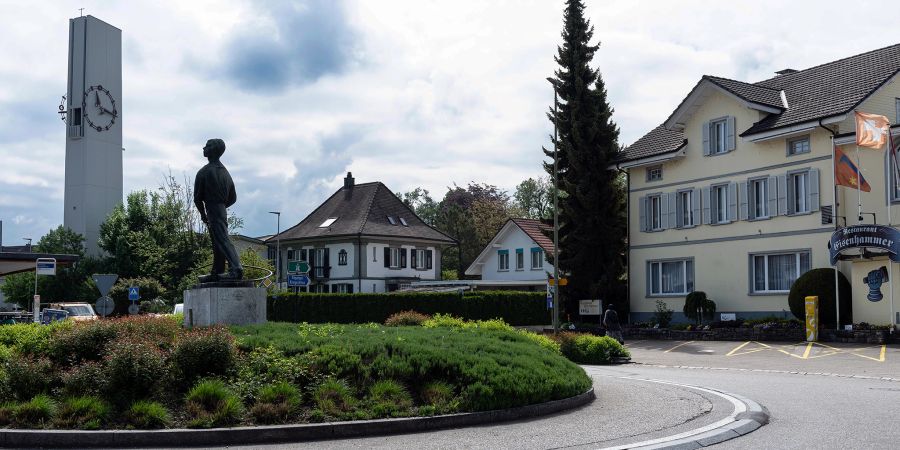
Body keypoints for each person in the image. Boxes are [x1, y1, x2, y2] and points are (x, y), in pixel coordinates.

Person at [194, 138, 243, 283]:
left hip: (212, 208)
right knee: (217, 240)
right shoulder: (225, 173)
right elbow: (233, 198)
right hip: (221, 208)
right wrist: (222, 206)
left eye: (207, 146)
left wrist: (204, 214)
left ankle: (236, 269)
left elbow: (197, 198)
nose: (204, 147)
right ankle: (217, 271)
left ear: (213, 150)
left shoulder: (204, 172)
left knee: (222, 239)